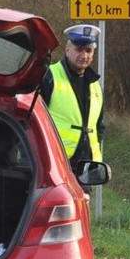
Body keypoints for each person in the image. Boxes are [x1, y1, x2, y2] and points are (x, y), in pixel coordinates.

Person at [40, 24, 104, 169]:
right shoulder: (49, 77)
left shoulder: (95, 85)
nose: (84, 55)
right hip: (55, 164)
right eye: (79, 50)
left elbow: (99, 126)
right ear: (67, 49)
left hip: (86, 166)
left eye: (88, 50)